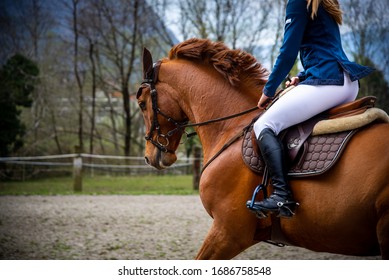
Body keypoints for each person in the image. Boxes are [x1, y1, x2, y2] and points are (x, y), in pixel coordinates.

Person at [250, 0, 373, 218]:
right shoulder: (323, 2)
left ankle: (282, 196)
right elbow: (327, 49)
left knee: (264, 124)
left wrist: (269, 90)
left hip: (329, 83)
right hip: (347, 83)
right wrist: (304, 76)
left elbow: (288, 52)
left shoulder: (298, 2)